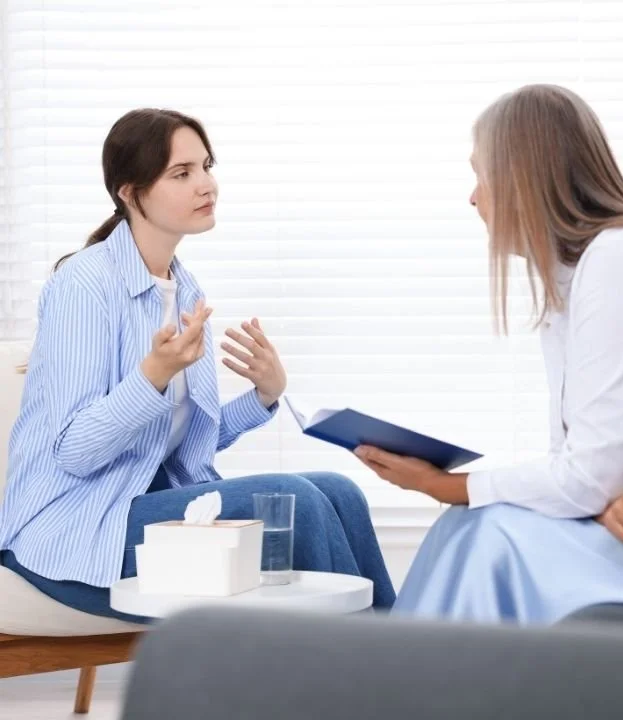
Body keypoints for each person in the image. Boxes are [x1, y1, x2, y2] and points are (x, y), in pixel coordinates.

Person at [0, 108, 395, 621]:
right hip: (75, 530)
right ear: (129, 191)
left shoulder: (185, 290)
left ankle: (404, 662)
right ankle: (372, 682)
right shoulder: (83, 286)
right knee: (290, 495)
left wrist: (262, 398)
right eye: (182, 174)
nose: (206, 185)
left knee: (338, 491)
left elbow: (183, 447)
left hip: (147, 510)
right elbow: (74, 451)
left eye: (207, 166)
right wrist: (152, 376)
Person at [354, 84, 623, 624]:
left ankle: (407, 696)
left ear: (525, 175)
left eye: (482, 175)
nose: (474, 198)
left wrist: (438, 484)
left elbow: (588, 476)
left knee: (492, 534)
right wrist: (604, 495)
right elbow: (584, 469)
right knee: (468, 523)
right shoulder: (573, 283)